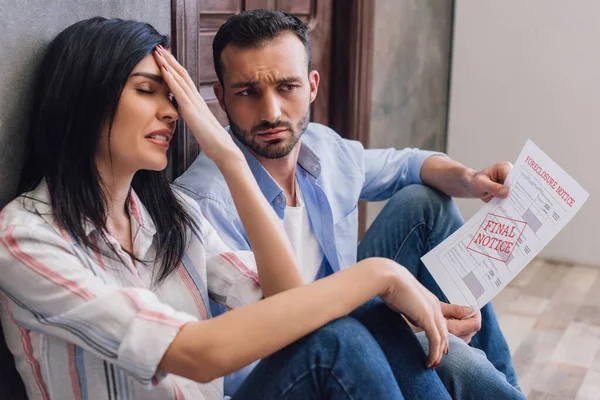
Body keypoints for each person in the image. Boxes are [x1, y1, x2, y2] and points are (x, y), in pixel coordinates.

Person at [0, 17, 525, 400]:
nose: (172, 113)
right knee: (344, 340)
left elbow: (289, 300)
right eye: (147, 91)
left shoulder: (164, 218)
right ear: (87, 98)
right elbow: (198, 353)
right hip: (242, 373)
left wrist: (231, 157)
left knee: (373, 315)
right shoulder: (24, 238)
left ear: (309, 87)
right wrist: (382, 276)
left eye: (175, 98)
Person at [175, 8, 520, 392]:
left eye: (287, 87)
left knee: (425, 204)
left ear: (312, 86)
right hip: (297, 365)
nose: (270, 112)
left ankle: (504, 379)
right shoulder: (207, 203)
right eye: (247, 92)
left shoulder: (324, 147)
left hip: (353, 316)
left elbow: (405, 164)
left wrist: (470, 179)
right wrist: (397, 324)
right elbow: (261, 345)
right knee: (456, 362)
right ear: (221, 98)